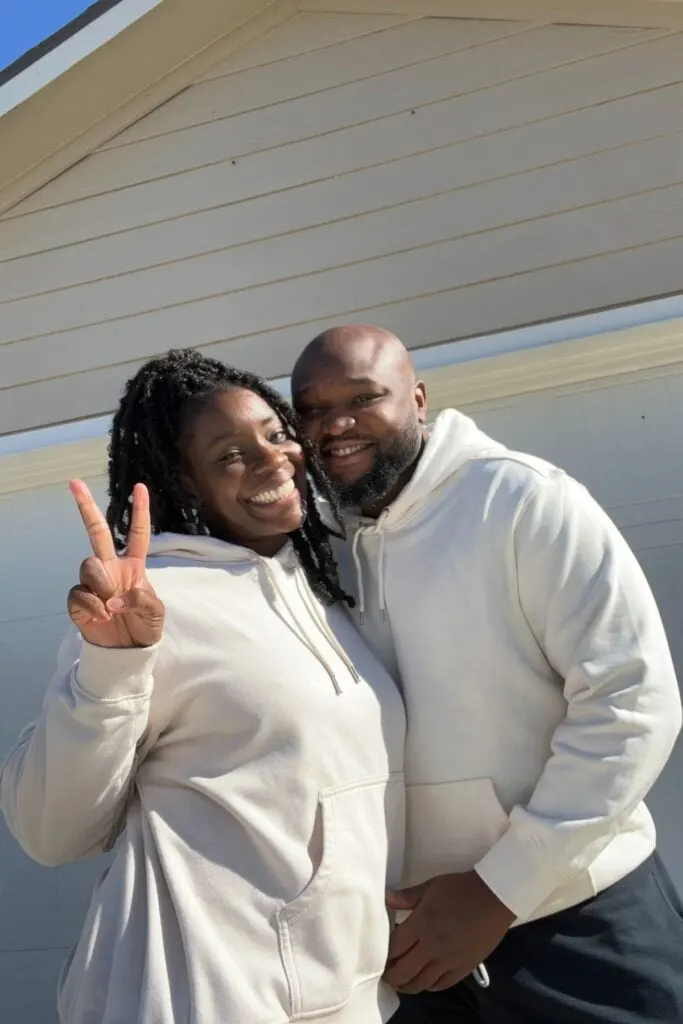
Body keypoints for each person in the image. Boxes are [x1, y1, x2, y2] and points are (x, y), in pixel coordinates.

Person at [0, 348, 406, 1024]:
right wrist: (112, 666)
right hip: (196, 998)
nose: (274, 458)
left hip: (341, 998)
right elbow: (51, 830)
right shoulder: (157, 604)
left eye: (276, 434)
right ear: (183, 485)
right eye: (229, 456)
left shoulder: (327, 592)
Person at [291, 324, 683, 1024]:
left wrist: (498, 889)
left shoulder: (522, 501)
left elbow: (632, 701)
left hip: (576, 920)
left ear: (417, 399)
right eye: (311, 408)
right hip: (415, 949)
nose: (335, 425)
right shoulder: (313, 550)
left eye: (361, 398)